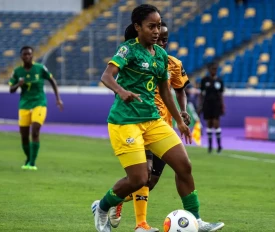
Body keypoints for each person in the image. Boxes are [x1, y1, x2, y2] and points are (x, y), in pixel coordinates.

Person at [91, 4, 224, 232]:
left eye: (159, 25)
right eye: (151, 26)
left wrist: (180, 121)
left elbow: (166, 92)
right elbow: (107, 76)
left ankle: (196, 219)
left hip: (153, 121)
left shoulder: (161, 55)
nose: (156, 31)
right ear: (138, 27)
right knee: (139, 179)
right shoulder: (128, 50)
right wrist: (122, 92)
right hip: (125, 122)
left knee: (184, 166)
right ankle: (102, 207)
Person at [107, 21, 192, 232]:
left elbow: (178, 90)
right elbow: (115, 80)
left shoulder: (171, 62)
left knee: (150, 182)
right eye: (157, 35)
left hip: (162, 125)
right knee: (141, 176)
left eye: (164, 38)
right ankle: (140, 224)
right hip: (139, 122)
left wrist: (182, 114)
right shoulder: (135, 58)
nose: (160, 40)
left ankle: (118, 198)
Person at [9, 46, 63, 170]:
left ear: (32, 56)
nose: (27, 56)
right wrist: (18, 84)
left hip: (39, 103)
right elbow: (11, 90)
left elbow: (52, 80)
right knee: (24, 135)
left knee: (35, 131)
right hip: (24, 105)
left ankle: (32, 163)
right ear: (21, 56)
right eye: (25, 54)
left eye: (29, 54)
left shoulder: (40, 68)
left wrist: (58, 98)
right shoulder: (17, 72)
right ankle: (28, 158)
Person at [198, 62, 225, 154]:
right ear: (209, 70)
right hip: (207, 104)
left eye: (215, 69)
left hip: (216, 105)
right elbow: (201, 94)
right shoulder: (204, 80)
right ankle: (209, 147)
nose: (214, 71)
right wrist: (200, 105)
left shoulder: (219, 81)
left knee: (216, 123)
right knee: (209, 124)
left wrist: (223, 105)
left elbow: (221, 94)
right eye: (212, 69)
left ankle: (219, 146)